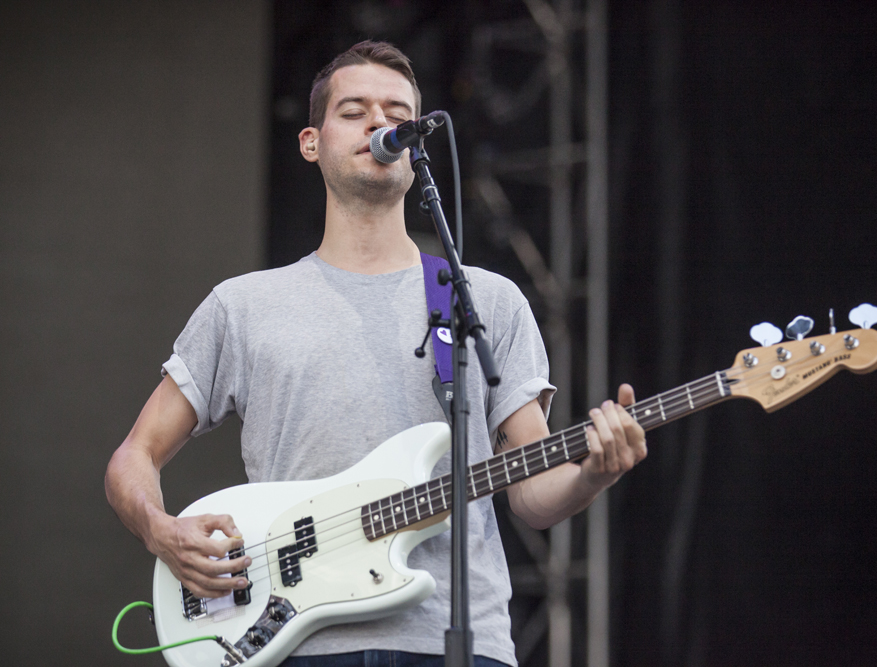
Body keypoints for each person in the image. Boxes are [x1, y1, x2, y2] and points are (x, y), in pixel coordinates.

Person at [105, 40, 646, 667]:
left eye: (396, 112)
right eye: (355, 111)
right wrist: (162, 531)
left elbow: (528, 494)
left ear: (416, 146)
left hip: (457, 640)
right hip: (289, 639)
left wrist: (592, 473)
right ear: (312, 142)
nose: (380, 124)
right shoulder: (242, 306)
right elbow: (133, 456)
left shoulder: (482, 301)